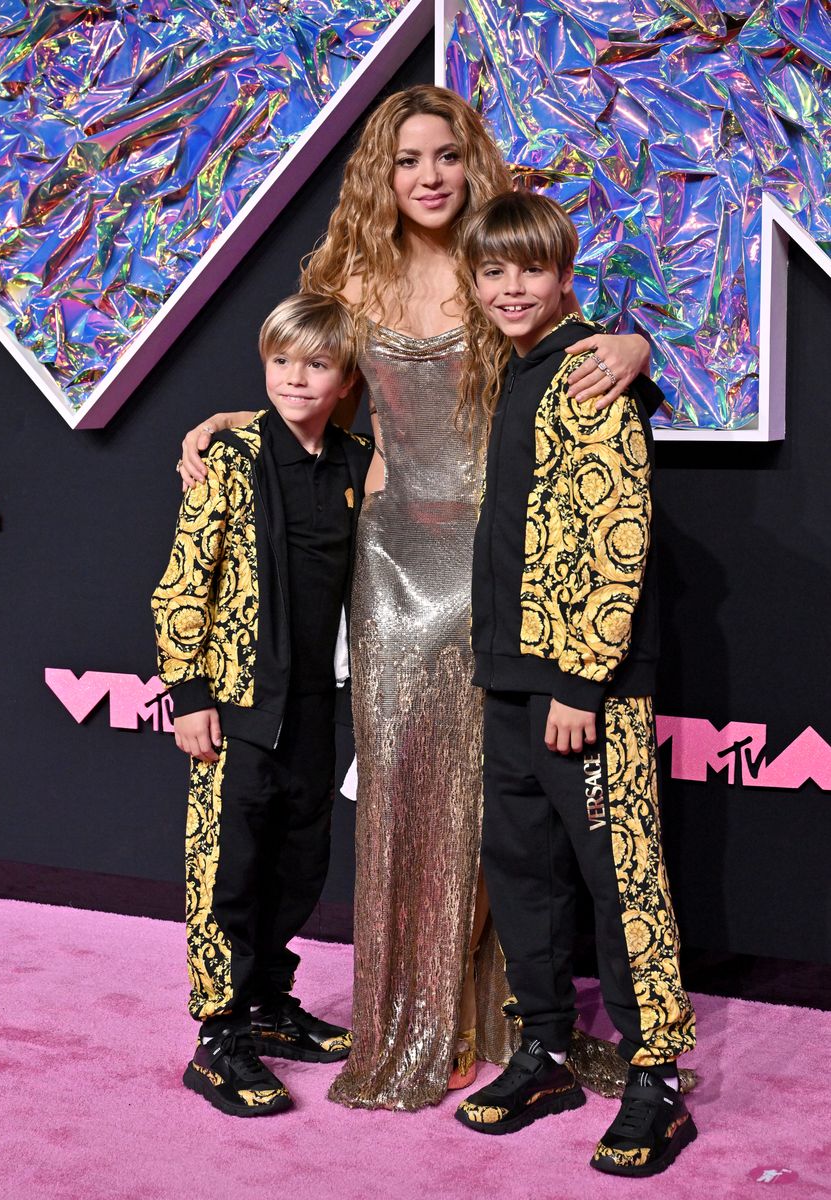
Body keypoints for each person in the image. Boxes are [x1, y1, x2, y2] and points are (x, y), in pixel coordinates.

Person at [177, 85, 656, 1111]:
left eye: (443, 154)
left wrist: (638, 348)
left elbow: (565, 352)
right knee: (398, 790)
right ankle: (408, 1012)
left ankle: (512, 1019)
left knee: (497, 807)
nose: (427, 176)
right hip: (389, 564)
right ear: (379, 175)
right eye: (405, 160)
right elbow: (310, 384)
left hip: (495, 563)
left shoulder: (497, 260)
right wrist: (231, 416)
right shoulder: (347, 271)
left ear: (468, 159)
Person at [453, 189, 696, 1176]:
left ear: (562, 277)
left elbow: (614, 534)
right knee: (522, 873)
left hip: (581, 687)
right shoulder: (518, 373)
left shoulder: (591, 367)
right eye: (492, 271)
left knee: (618, 879)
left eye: (529, 271)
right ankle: (545, 1050)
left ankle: (656, 1082)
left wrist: (581, 681)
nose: (511, 288)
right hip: (510, 677)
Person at [152, 294, 373, 1116]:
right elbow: (183, 582)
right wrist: (189, 693)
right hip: (240, 707)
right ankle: (219, 1037)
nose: (294, 378)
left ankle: (271, 1005)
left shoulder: (357, 462)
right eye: (281, 361)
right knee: (229, 871)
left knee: (297, 864)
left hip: (322, 704)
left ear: (345, 378)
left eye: (316, 365)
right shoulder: (230, 458)